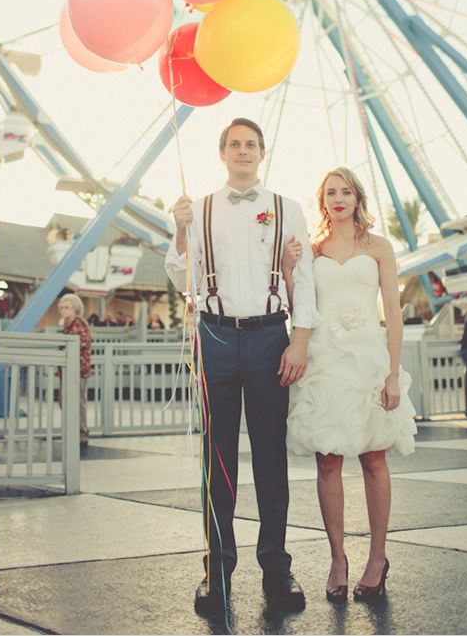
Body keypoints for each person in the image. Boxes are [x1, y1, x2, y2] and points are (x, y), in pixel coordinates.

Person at [165, 118, 317, 615]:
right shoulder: (202, 208)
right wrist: (180, 229)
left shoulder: (286, 209)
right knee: (218, 457)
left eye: (251, 144)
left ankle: (277, 566)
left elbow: (306, 279)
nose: (243, 151)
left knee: (271, 455)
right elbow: (178, 272)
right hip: (213, 334)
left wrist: (299, 339)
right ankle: (217, 569)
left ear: (263, 152)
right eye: (235, 144)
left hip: (271, 335)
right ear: (222, 153)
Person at [282, 167, 417, 602]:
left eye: (345, 192)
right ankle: (337, 558)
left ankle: (377, 557)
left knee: (374, 458)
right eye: (330, 193)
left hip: (367, 360)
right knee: (328, 462)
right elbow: (297, 302)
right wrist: (288, 269)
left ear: (357, 198)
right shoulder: (312, 248)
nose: (338, 199)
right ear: (322, 201)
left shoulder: (379, 247)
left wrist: (393, 372)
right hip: (325, 358)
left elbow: (392, 313)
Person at [57, 293, 92, 448]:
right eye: (62, 307)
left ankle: (82, 434)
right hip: (66, 368)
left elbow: (82, 343)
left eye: (67, 307)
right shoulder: (66, 324)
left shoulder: (79, 323)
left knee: (78, 401)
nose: (63, 310)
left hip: (78, 368)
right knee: (63, 400)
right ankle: (72, 430)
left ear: (75, 309)